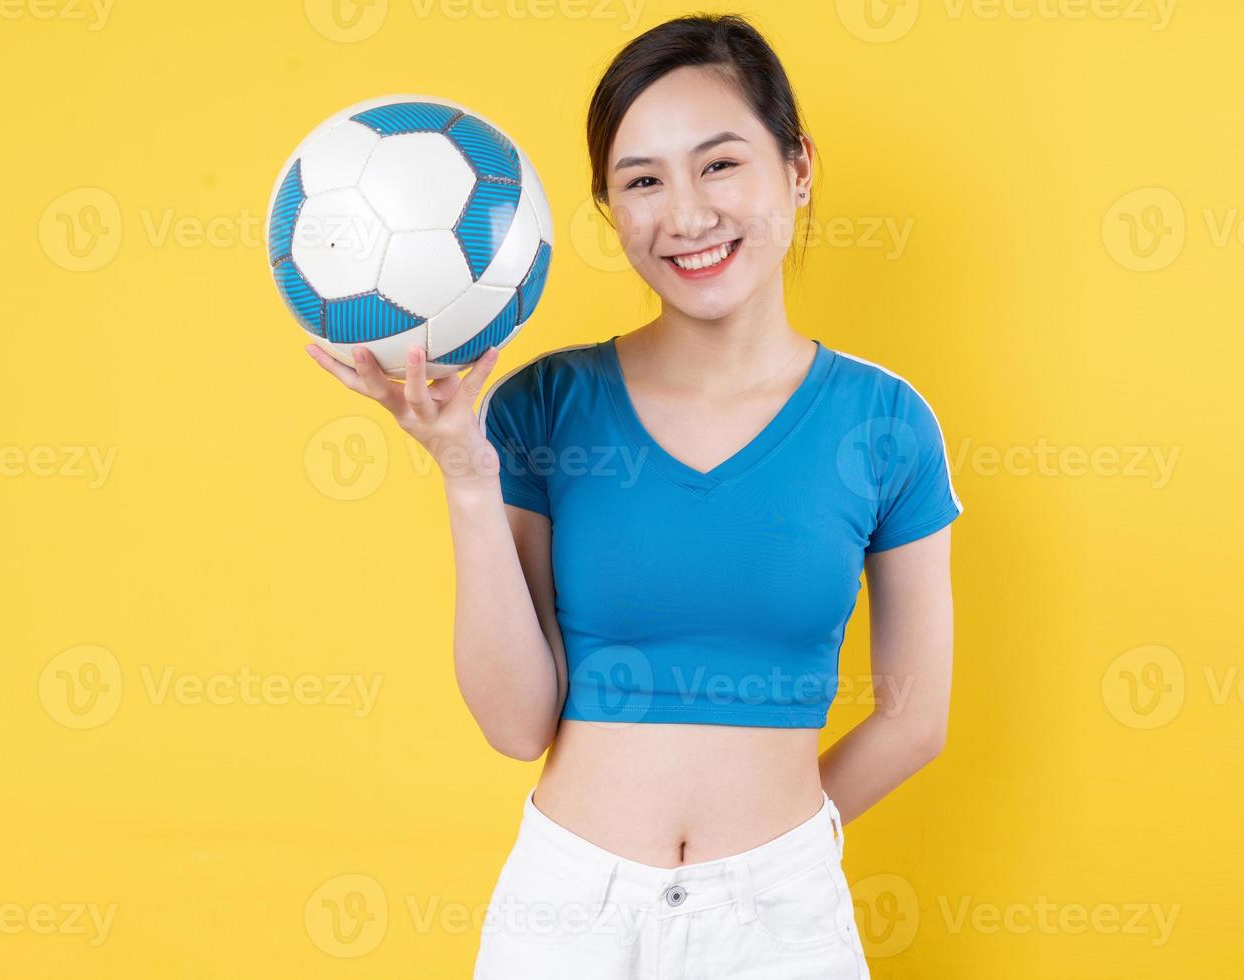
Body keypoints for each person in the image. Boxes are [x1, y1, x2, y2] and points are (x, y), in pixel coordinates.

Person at [307, 14, 961, 979]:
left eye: (720, 164)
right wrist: (467, 478)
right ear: (611, 210)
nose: (686, 215)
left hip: (784, 924)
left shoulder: (886, 422)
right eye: (642, 180)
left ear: (799, 169)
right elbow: (515, 725)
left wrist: (778, 854)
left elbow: (916, 718)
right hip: (566, 915)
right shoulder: (541, 404)